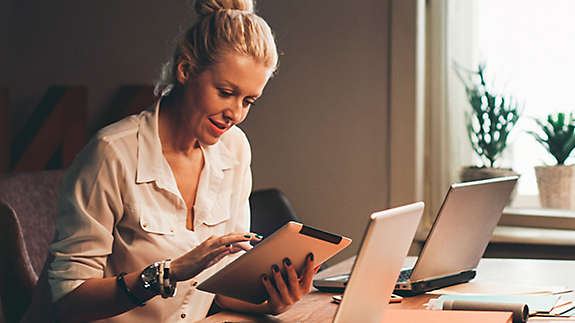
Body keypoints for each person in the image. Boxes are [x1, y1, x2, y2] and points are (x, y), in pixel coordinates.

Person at [39, 0, 317, 321]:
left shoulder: (236, 149)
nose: (236, 114)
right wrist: (168, 273)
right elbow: (67, 297)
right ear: (185, 70)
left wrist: (273, 300)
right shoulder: (111, 153)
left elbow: (220, 288)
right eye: (225, 92)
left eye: (248, 101)